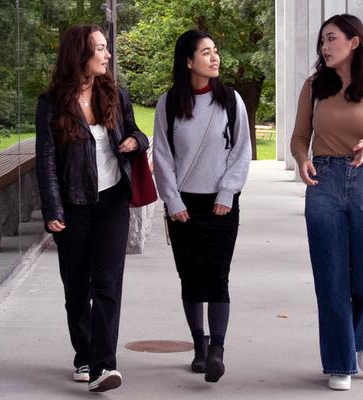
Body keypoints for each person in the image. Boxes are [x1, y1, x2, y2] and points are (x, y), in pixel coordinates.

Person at [290, 14, 363, 391]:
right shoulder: (314, 86)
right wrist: (301, 159)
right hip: (323, 182)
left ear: (354, 42)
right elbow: (299, 135)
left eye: (332, 38)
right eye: (322, 40)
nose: (324, 46)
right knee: (331, 279)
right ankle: (340, 361)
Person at [35, 24, 149, 393]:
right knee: (75, 287)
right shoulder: (51, 103)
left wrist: (135, 141)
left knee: (107, 285)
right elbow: (47, 161)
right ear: (79, 54)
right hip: (74, 206)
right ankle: (83, 353)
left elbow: (137, 132)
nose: (107, 54)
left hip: (112, 202)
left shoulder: (116, 94)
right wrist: (53, 209)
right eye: (100, 48)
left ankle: (103, 365)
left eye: (105, 47)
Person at [152, 29, 252, 384]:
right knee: (190, 278)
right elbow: (162, 156)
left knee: (218, 276)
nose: (215, 58)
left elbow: (242, 151)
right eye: (206, 52)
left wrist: (228, 193)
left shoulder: (230, 100)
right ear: (188, 61)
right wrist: (173, 200)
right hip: (183, 207)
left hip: (222, 205)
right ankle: (199, 345)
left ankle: (217, 350)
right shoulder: (169, 103)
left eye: (215, 51)